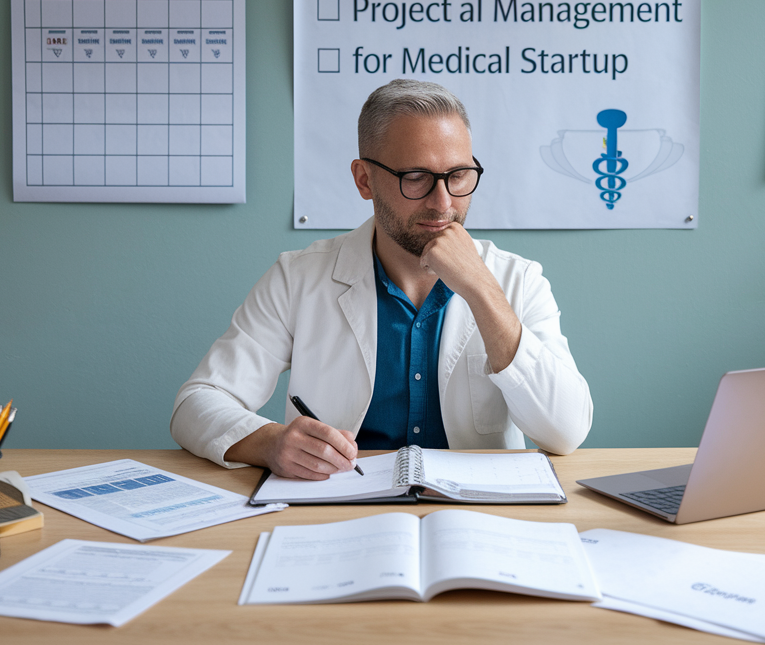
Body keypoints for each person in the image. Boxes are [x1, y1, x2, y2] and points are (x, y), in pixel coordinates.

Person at [171, 79, 592, 478]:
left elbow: (565, 430)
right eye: (416, 178)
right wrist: (269, 443)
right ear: (364, 180)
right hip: (340, 511)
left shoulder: (518, 280)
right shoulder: (298, 277)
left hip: (476, 516)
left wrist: (482, 291)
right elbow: (196, 404)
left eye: (458, 175)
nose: (443, 203)